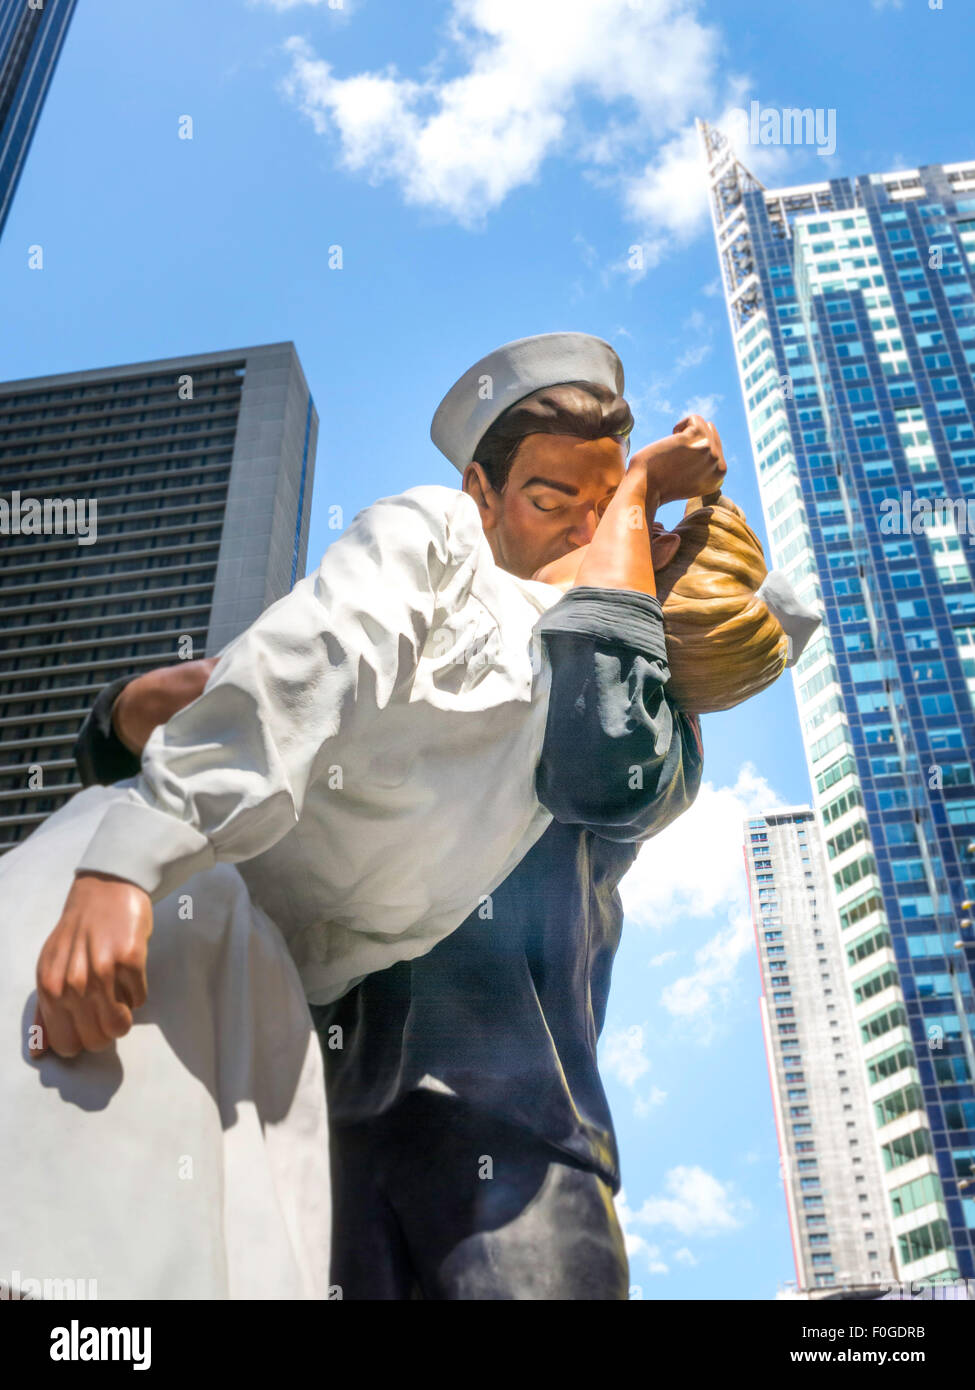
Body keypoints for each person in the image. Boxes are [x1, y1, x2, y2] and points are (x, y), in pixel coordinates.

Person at [59, 334, 819, 1299]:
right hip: (303, 1118)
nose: (585, 539)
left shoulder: (653, 733)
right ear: (482, 495)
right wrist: (141, 733)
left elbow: (599, 751)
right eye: (552, 504)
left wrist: (636, 504)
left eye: (609, 517)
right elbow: (253, 689)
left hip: (514, 1134)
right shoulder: (420, 604)